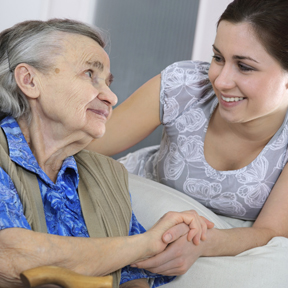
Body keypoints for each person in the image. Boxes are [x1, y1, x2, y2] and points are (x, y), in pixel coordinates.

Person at [0, 19, 214, 288]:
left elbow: (133, 278)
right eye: (90, 74)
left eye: (108, 82)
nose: (111, 97)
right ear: (29, 80)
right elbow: (13, 256)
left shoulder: (109, 175)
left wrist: (159, 243)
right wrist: (146, 243)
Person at [87, 0, 288, 286]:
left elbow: (268, 233)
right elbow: (85, 145)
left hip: (216, 241)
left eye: (244, 67)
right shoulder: (184, 84)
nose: (220, 80)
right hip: (137, 207)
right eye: (218, 58)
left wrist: (200, 243)